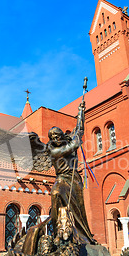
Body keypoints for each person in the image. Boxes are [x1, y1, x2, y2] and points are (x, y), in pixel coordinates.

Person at [47, 103, 95, 245]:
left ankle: (82, 235)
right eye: (53, 137)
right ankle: (58, 232)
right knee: (56, 193)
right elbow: (70, 147)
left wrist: (80, 112)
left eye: (57, 135)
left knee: (78, 209)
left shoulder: (69, 139)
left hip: (74, 178)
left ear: (62, 134)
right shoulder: (52, 151)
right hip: (61, 178)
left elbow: (79, 129)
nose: (56, 138)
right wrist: (75, 142)